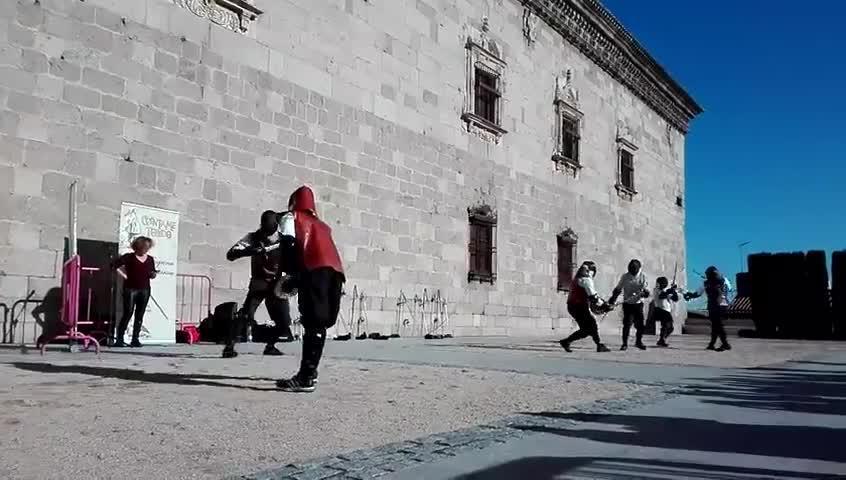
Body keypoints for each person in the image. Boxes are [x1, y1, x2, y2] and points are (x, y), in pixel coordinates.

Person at [271, 185, 345, 392]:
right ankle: (310, 371)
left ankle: (305, 377)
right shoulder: (323, 226)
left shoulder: (291, 217)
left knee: (313, 322)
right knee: (320, 323)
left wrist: (287, 274)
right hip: (336, 273)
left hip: (314, 270)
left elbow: (288, 244)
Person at [221, 210, 294, 359]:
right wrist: (250, 251)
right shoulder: (253, 237)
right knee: (246, 315)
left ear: (275, 227)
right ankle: (229, 346)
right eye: (264, 229)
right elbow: (231, 254)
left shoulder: (284, 240)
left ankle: (270, 346)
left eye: (269, 230)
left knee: (284, 322)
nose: (266, 234)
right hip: (259, 283)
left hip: (277, 285)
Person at [112, 236, 157, 348]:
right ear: (138, 247)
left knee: (140, 315)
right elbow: (114, 266)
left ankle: (135, 339)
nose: (146, 250)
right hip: (130, 289)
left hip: (145, 289)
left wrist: (153, 274)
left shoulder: (150, 259)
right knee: (128, 313)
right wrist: (124, 276)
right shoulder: (129, 257)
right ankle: (120, 339)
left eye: (147, 247)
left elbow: (152, 273)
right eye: (144, 247)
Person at [559, 261, 611, 353]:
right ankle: (566, 341)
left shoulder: (576, 279)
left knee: (591, 325)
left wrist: (602, 303)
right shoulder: (586, 280)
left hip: (573, 306)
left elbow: (592, 296)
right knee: (588, 328)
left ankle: (599, 345)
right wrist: (604, 305)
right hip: (579, 307)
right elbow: (593, 296)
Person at [685, 266, 732, 351]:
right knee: (716, 325)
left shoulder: (708, 283)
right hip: (720, 304)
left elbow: (698, 293)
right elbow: (729, 289)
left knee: (717, 325)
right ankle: (713, 344)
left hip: (716, 305)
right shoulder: (723, 280)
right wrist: (690, 295)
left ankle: (724, 344)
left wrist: (690, 295)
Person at [608, 259, 650, 350]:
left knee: (640, 325)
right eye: (630, 268)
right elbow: (618, 289)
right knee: (627, 324)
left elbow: (646, 291)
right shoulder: (625, 276)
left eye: (634, 268)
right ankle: (624, 344)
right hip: (628, 304)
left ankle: (638, 342)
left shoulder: (643, 276)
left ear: (638, 268)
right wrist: (612, 299)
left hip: (638, 304)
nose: (632, 270)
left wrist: (645, 293)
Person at [653, 276, 679, 347]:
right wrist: (670, 290)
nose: (658, 284)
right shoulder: (656, 290)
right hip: (660, 310)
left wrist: (674, 290)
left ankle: (662, 339)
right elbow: (661, 296)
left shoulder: (665, 291)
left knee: (670, 328)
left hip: (667, 311)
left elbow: (675, 299)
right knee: (666, 325)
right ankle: (662, 340)